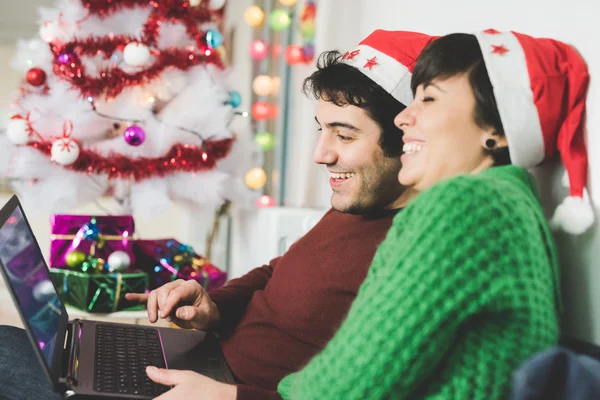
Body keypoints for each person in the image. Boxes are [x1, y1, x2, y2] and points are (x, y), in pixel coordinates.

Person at [150, 30, 593, 399]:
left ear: (496, 128)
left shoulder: (466, 205)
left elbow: (348, 388)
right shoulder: (502, 201)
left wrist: (227, 396)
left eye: (429, 100)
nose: (405, 120)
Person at [0, 30, 435, 400]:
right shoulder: (361, 204)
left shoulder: (413, 251)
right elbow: (276, 273)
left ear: (407, 137)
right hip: (204, 364)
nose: (322, 154)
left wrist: (230, 397)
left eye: (345, 134)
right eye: (323, 129)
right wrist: (213, 306)